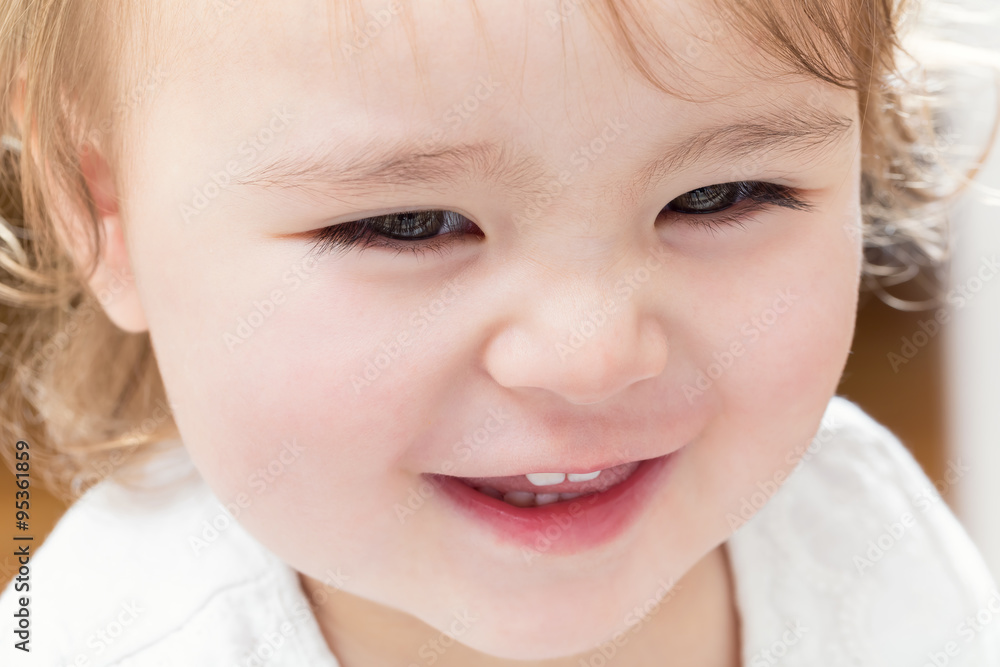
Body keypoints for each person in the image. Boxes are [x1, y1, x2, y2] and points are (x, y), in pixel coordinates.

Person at [0, 0, 998, 664]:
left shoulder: (860, 532)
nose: (593, 356)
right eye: (409, 224)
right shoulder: (104, 636)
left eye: (717, 195)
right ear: (105, 216)